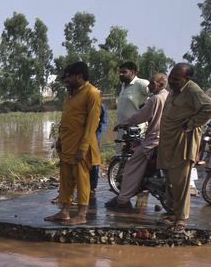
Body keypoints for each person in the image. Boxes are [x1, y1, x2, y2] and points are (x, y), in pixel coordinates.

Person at [157, 63, 211, 232]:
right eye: (171, 76)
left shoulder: (192, 90)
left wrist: (191, 124)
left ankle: (181, 220)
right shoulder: (173, 92)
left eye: (176, 78)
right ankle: (171, 213)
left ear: (186, 79)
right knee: (170, 182)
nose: (171, 80)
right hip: (167, 143)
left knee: (181, 183)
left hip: (183, 143)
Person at [45, 62, 101, 226]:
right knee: (65, 180)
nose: (66, 80)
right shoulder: (71, 94)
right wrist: (60, 139)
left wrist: (83, 148)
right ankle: (64, 212)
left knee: (83, 180)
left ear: (79, 76)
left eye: (69, 76)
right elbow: (67, 119)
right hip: (67, 145)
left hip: (80, 147)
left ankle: (82, 215)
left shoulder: (92, 93)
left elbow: (92, 124)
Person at [105, 73, 170, 209]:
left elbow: (140, 116)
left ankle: (122, 200)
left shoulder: (155, 99)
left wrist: (124, 123)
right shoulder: (169, 96)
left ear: (161, 85)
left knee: (131, 167)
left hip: (153, 140)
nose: (149, 85)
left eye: (152, 83)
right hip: (167, 140)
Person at [115, 61, 150, 140]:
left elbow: (156, 95)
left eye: (124, 72)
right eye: (120, 72)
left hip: (136, 131)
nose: (121, 74)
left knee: (135, 152)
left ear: (132, 72)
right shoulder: (123, 85)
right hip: (122, 130)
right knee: (120, 152)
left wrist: (147, 108)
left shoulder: (141, 83)